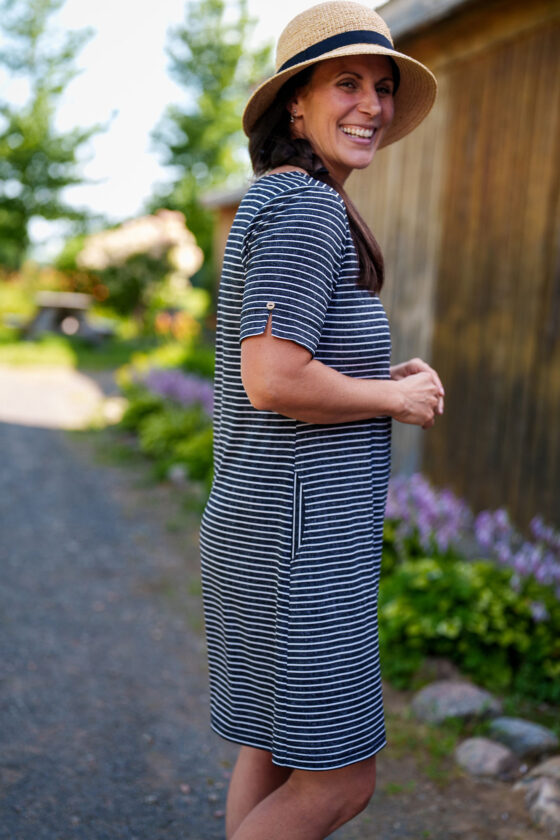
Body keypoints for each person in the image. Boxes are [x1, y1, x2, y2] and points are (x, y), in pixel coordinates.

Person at [199, 2, 444, 837]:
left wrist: (381, 376)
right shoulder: (304, 208)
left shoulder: (287, 203)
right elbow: (270, 378)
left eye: (380, 87)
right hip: (296, 548)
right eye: (347, 84)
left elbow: (289, 361)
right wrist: (392, 397)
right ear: (294, 105)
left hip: (267, 529)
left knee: (270, 749)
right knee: (340, 779)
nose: (372, 104)